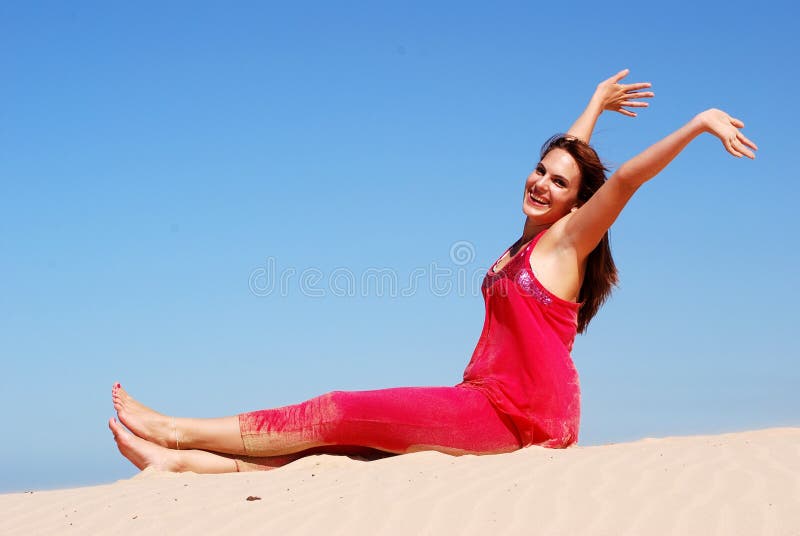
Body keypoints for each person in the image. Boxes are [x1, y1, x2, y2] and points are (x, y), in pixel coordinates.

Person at [109, 69, 756, 474]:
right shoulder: (526, 241)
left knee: (336, 410)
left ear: (574, 204)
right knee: (339, 453)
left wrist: (697, 125)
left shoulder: (566, 244)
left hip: (522, 420)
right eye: (538, 169)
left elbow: (624, 182)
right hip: (484, 400)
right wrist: (592, 104)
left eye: (556, 183)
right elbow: (570, 159)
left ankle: (176, 427)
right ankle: (181, 463)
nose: (539, 181)